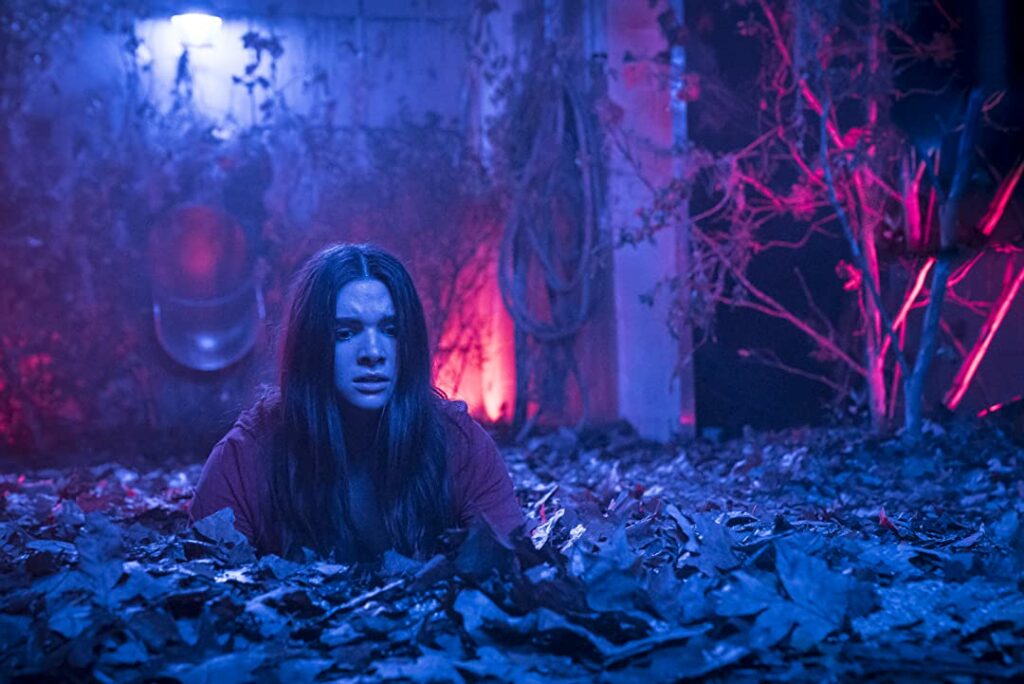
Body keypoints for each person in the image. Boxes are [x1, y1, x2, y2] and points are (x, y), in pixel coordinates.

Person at [188, 243, 523, 562]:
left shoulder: (459, 445)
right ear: (311, 344)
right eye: (345, 333)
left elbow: (513, 567)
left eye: (390, 330)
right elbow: (205, 585)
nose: (373, 353)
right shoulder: (245, 457)